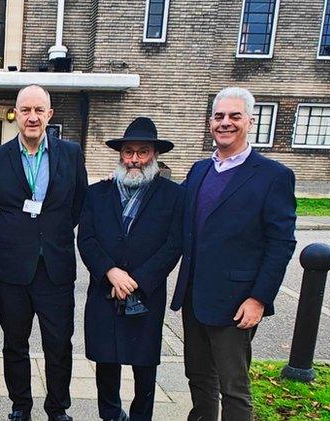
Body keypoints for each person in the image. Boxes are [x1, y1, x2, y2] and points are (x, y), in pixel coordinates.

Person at [170, 87, 297, 421]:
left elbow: (281, 243)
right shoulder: (200, 170)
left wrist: (258, 299)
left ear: (250, 121)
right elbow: (172, 212)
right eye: (219, 116)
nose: (225, 123)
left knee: (234, 387)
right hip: (195, 297)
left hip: (236, 302)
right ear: (210, 122)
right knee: (198, 378)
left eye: (234, 116)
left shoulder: (273, 176)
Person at [0, 84, 88, 421]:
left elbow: (78, 205)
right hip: (12, 270)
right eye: (25, 110)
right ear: (16, 114)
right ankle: (20, 406)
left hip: (55, 268)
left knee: (59, 344)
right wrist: (17, 237)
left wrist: (48, 235)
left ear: (49, 115)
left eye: (39, 110)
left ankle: (57, 408)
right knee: (15, 344)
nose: (32, 117)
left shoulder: (71, 154)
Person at [77, 117, 185, 421]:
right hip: (105, 291)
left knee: (144, 366)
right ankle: (110, 415)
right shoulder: (97, 193)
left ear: (154, 155)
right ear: (120, 155)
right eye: (128, 152)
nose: (134, 159)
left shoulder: (173, 195)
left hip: (145, 295)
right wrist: (110, 271)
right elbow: (86, 239)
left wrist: (137, 280)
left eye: (142, 152)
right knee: (106, 361)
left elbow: (173, 245)